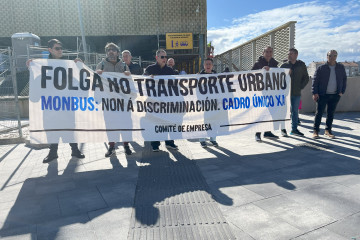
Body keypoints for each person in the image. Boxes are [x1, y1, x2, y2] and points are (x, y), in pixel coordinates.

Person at [27, 39, 85, 163]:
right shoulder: (43, 64)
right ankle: (53, 152)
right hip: (50, 104)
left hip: (66, 103)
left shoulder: (68, 63)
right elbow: (38, 82)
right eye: (57, 48)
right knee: (52, 128)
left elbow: (78, 80)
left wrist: (80, 66)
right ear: (50, 50)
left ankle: (74, 149)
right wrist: (31, 68)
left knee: (70, 127)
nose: (60, 50)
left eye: (61, 48)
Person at [96, 43, 131, 157]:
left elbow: (130, 83)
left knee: (125, 124)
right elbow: (96, 83)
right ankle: (112, 146)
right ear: (106, 53)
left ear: (117, 52)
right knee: (110, 125)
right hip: (108, 102)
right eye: (108, 50)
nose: (111, 52)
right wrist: (98, 75)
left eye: (113, 50)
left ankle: (126, 145)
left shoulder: (124, 66)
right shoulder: (100, 65)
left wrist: (128, 75)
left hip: (123, 102)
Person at [144, 49, 179, 152]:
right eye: (162, 57)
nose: (164, 59)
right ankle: (155, 144)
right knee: (154, 123)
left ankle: (169, 143)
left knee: (168, 122)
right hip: (153, 102)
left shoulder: (169, 70)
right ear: (156, 58)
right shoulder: (150, 69)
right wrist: (147, 78)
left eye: (165, 57)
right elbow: (141, 80)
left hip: (166, 102)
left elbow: (174, 85)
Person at [312, 50, 346, 139]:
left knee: (331, 114)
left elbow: (344, 79)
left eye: (334, 55)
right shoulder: (321, 68)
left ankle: (328, 131)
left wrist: (342, 91)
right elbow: (315, 81)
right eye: (330, 55)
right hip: (322, 94)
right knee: (319, 113)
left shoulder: (340, 68)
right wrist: (315, 93)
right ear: (327, 56)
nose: (332, 57)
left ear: (337, 56)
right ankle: (316, 131)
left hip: (335, 95)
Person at [251, 46, 279, 142]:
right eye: (267, 51)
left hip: (271, 93)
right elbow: (251, 75)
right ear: (263, 53)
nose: (268, 53)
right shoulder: (258, 63)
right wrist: (261, 70)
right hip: (260, 93)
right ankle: (258, 133)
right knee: (260, 114)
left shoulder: (275, 64)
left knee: (270, 113)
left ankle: (267, 132)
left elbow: (279, 76)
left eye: (270, 51)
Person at [280, 48, 309, 137]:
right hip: (285, 93)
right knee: (283, 112)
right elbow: (278, 78)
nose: (289, 55)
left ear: (296, 55)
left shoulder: (301, 65)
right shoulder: (283, 65)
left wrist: (300, 87)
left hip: (296, 93)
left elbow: (306, 78)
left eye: (291, 54)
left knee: (295, 112)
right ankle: (283, 130)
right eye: (288, 54)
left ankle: (294, 129)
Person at [199, 58, 219, 148]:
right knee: (203, 121)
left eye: (209, 64)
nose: (208, 66)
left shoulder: (217, 76)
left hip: (214, 102)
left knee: (214, 121)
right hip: (203, 102)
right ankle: (202, 140)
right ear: (204, 66)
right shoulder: (199, 76)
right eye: (206, 64)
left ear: (212, 66)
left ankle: (213, 139)